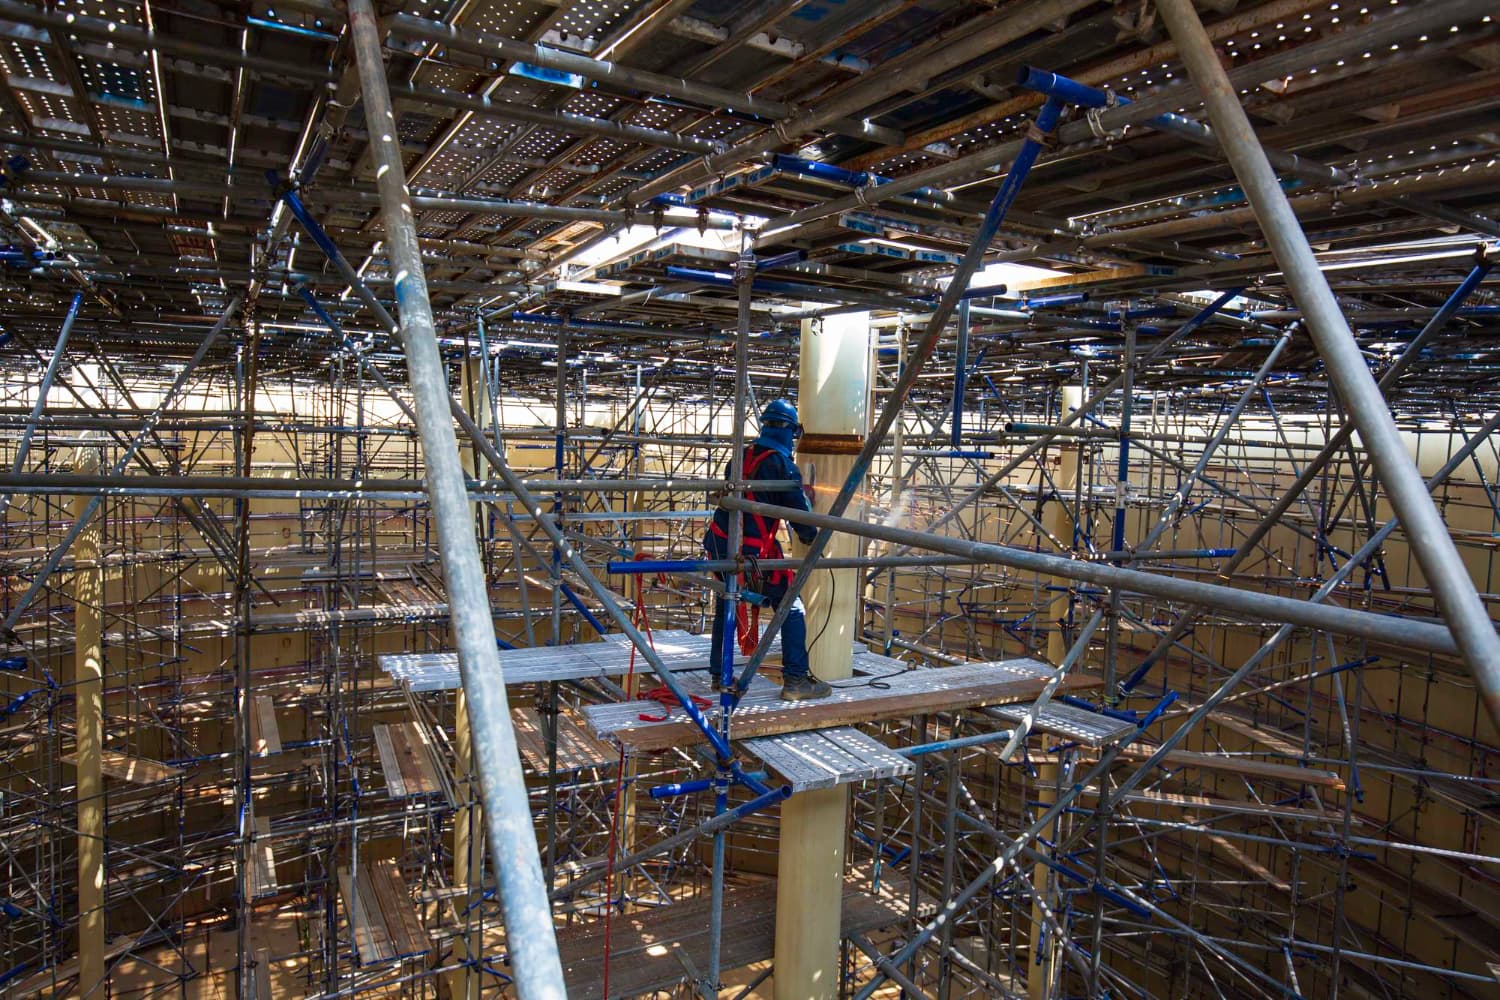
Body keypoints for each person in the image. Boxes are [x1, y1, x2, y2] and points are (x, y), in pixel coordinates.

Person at [703, 399, 832, 702]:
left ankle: (718, 674)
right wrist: (811, 532)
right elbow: (801, 520)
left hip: (721, 545)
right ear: (790, 431)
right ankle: (796, 680)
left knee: (727, 601)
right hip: (751, 554)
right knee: (791, 605)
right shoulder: (784, 467)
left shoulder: (741, 456)